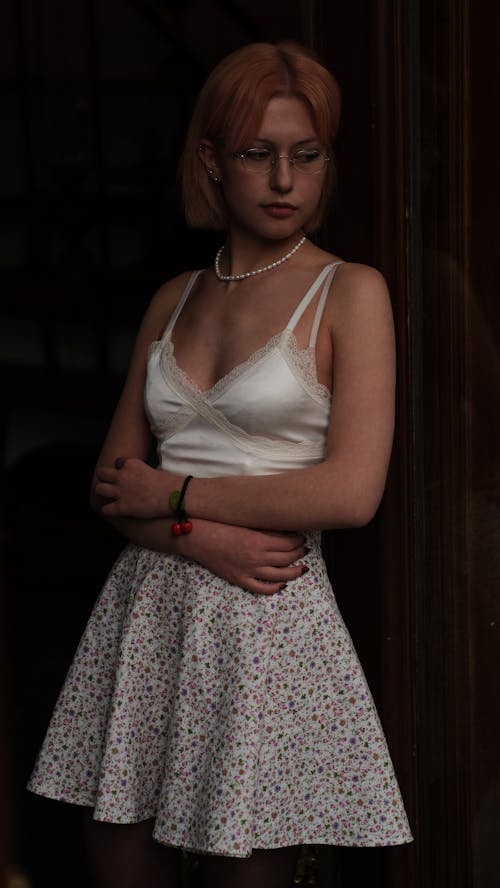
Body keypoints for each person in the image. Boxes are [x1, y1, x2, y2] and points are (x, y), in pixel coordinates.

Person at [28, 40, 412, 888]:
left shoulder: (351, 290)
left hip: (264, 617)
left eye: (305, 157)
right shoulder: (175, 296)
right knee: (117, 850)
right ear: (212, 161)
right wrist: (197, 537)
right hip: (148, 606)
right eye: (257, 155)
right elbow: (110, 485)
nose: (284, 180)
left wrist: (177, 494)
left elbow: (350, 493)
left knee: (247, 867)